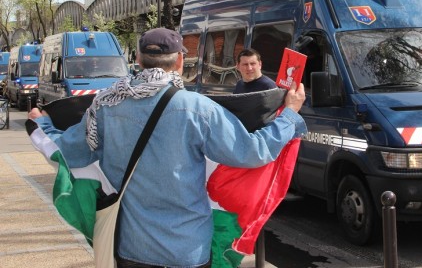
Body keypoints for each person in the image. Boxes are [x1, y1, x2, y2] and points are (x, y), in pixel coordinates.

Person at [28, 28, 306, 268]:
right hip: (188, 249)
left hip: (131, 246)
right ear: (180, 61)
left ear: (138, 60)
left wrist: (42, 125)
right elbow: (252, 152)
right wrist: (290, 114)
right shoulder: (199, 109)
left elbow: (69, 152)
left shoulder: (105, 106)